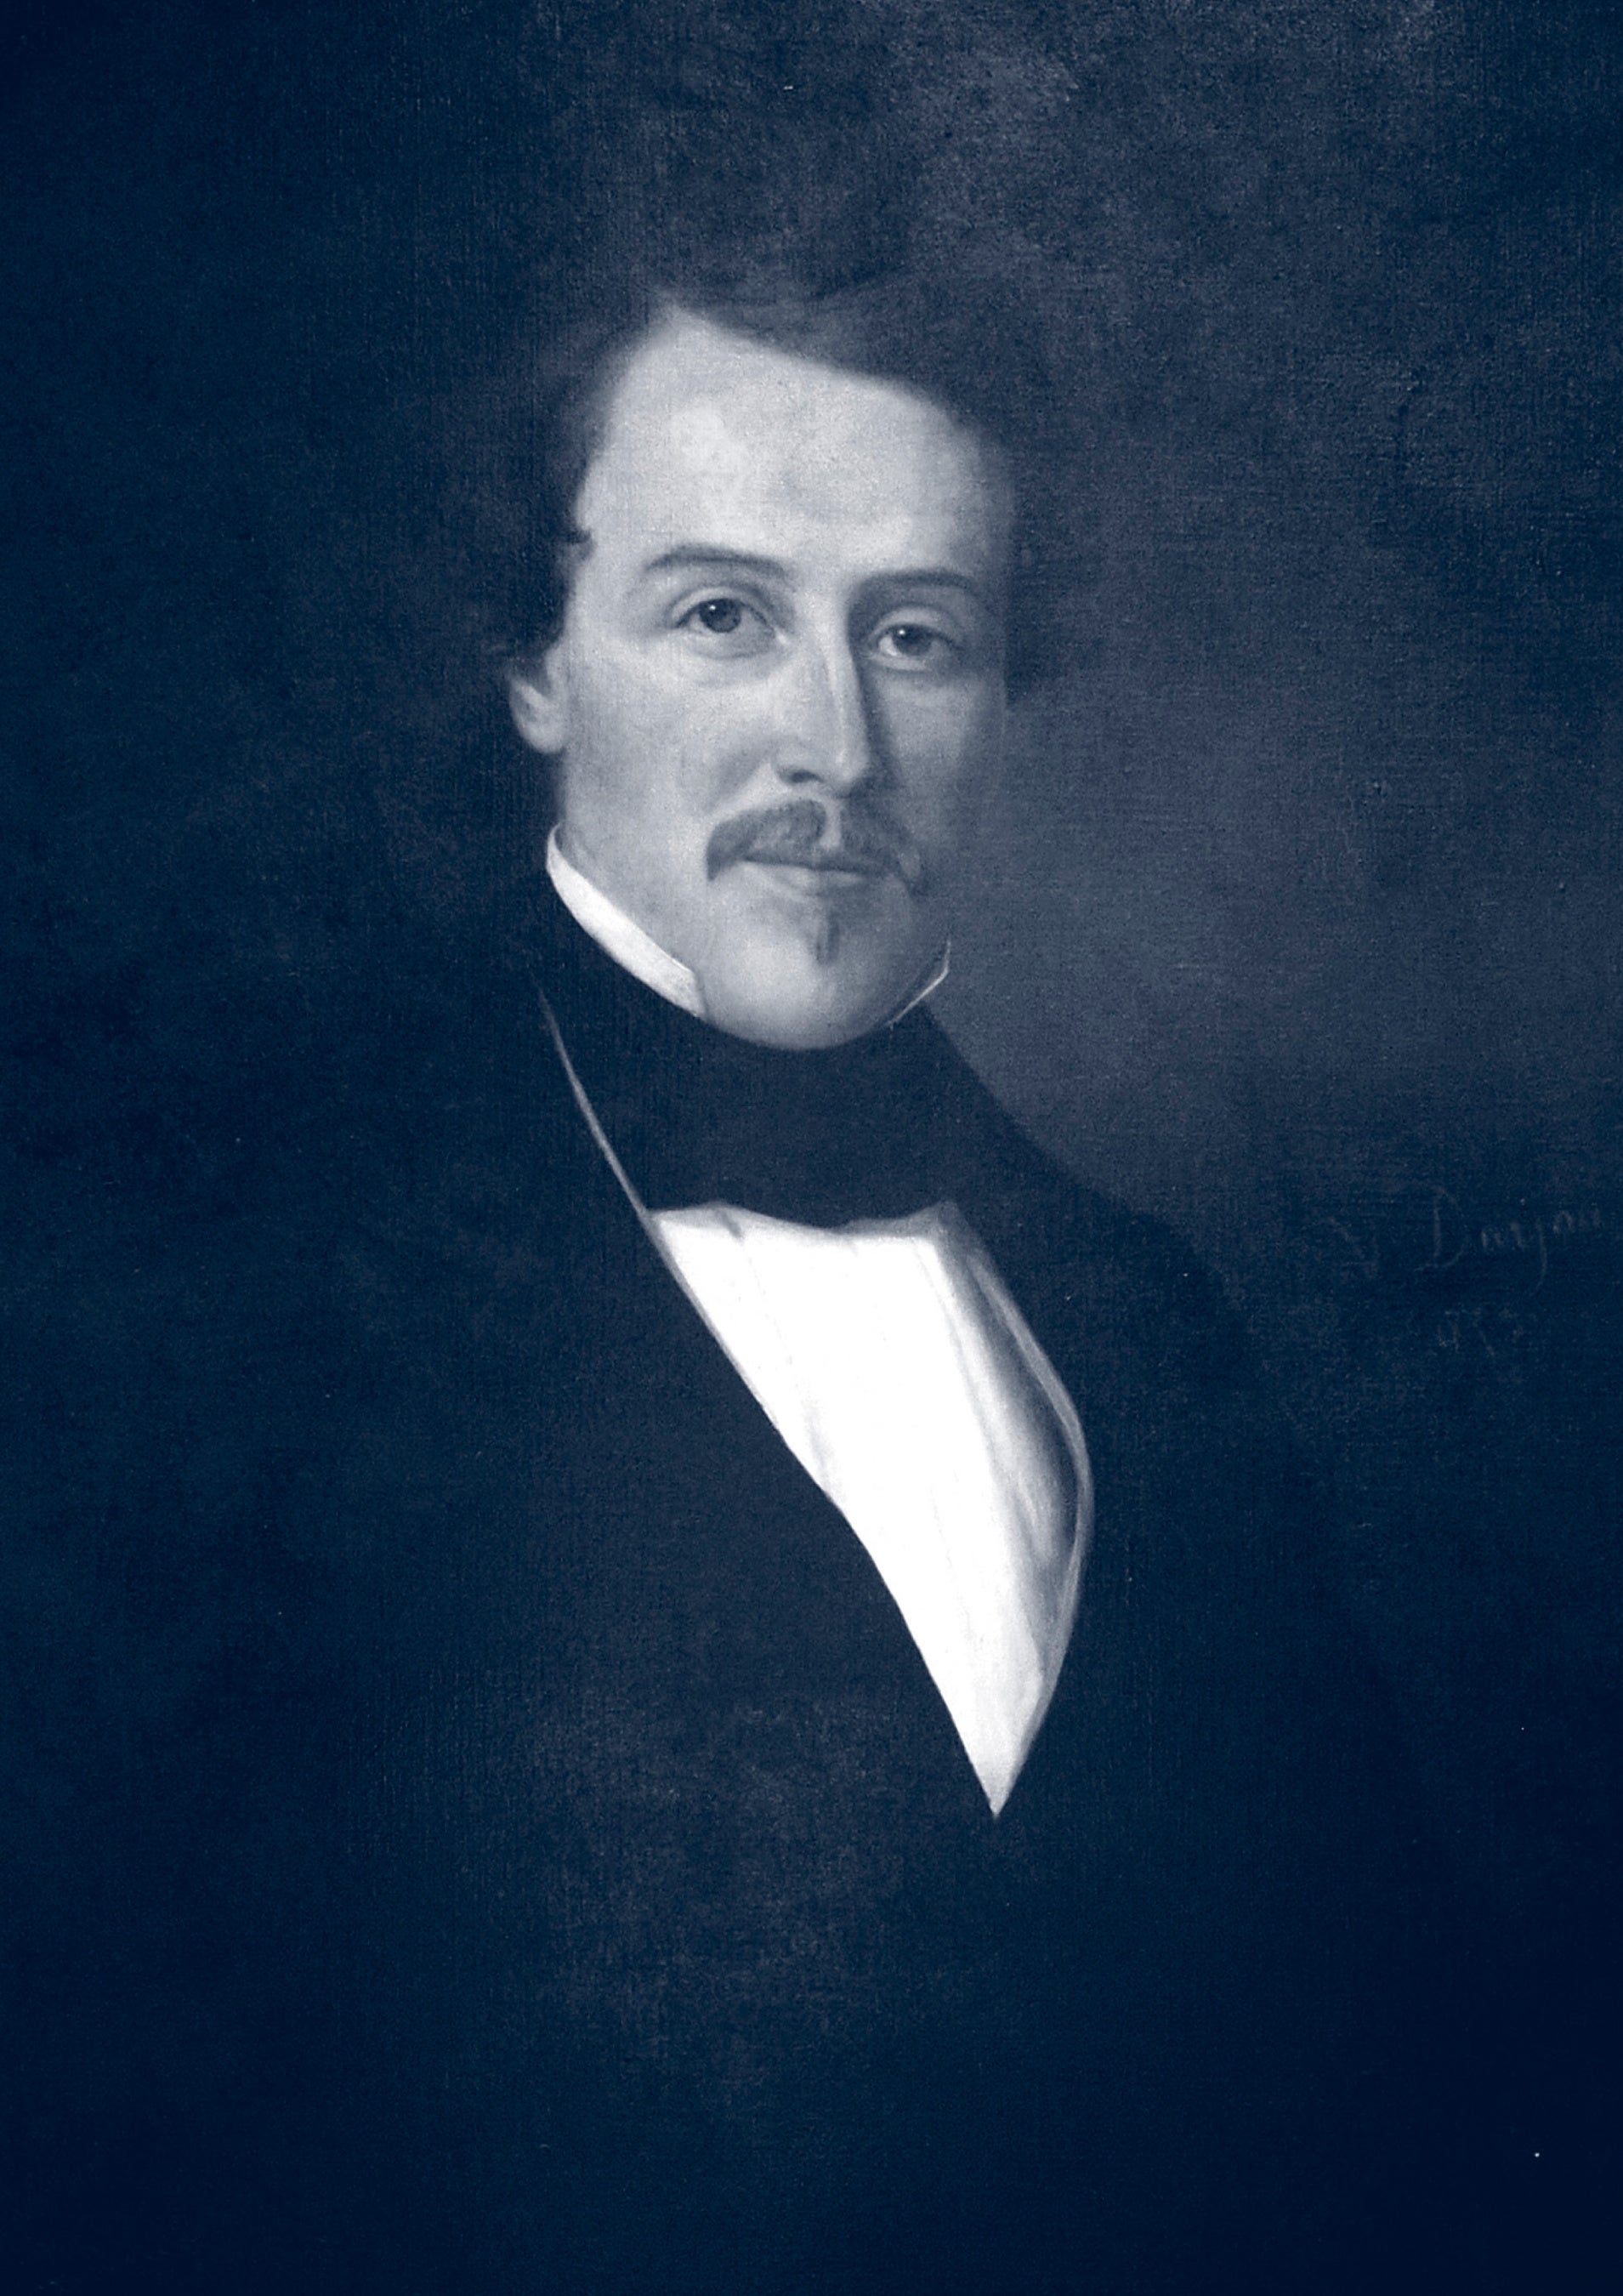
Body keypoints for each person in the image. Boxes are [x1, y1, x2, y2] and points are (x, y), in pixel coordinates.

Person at [9, 260, 1481, 2293]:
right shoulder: (210, 1291)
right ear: (536, 666)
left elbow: (1378, 2077)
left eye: (916, 635)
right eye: (724, 616)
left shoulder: (1148, 1317)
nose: (836, 743)